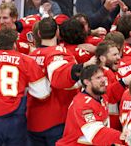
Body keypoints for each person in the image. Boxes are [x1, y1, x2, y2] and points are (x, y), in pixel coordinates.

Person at [28, 17, 91, 145]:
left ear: (39, 34)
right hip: (58, 120)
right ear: (57, 32)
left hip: (33, 121)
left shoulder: (31, 56)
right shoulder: (59, 53)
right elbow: (62, 79)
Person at [56, 65, 124, 145]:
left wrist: (123, 82)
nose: (103, 80)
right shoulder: (82, 104)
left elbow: (111, 92)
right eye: (98, 78)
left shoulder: (100, 95)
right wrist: (122, 137)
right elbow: (96, 133)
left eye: (103, 76)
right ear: (86, 82)